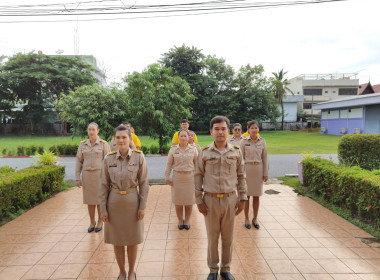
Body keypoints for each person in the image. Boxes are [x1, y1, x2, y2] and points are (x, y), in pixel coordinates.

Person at [195, 116, 248, 280]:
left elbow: (241, 176)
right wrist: (198, 200)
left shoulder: (236, 152)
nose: (220, 132)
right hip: (210, 200)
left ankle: (225, 268)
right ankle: (212, 269)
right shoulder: (204, 152)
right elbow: (197, 176)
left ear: (228, 131)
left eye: (223, 129)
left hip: (230, 199)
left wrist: (243, 198)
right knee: (212, 237)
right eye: (216, 129)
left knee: (228, 237)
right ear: (211, 132)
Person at [99, 125, 149, 280]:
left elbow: (144, 184)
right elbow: (103, 185)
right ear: (114, 139)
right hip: (113, 203)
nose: (121, 140)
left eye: (124, 137)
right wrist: (103, 209)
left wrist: (142, 206)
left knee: (132, 239)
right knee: (117, 240)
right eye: (118, 137)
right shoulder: (108, 159)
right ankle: (121, 271)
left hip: (132, 202)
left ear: (130, 139)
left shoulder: (138, 157)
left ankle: (132, 271)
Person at [75, 122, 110, 233]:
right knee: (89, 200)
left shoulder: (103, 144)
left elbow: (108, 161)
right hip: (87, 176)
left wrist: (109, 178)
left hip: (100, 176)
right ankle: (91, 221)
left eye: (93, 129)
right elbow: (79, 161)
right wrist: (77, 177)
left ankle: (100, 221)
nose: (91, 132)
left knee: (99, 200)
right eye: (89, 129)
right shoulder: (83, 144)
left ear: (98, 131)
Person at [165, 129, 198, 230]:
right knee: (178, 201)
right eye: (181, 136)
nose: (183, 138)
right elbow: (169, 164)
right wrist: (167, 177)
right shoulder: (173, 150)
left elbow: (197, 164)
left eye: (185, 136)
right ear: (178, 138)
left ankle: (187, 220)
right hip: (177, 178)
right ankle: (180, 220)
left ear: (188, 138)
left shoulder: (193, 149)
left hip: (190, 178)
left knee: (189, 201)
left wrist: (199, 178)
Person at [240, 120, 268, 230]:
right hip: (247, 170)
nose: (254, 130)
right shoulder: (243, 142)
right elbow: (240, 159)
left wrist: (265, 173)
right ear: (248, 129)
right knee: (246, 196)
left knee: (257, 196)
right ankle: (246, 218)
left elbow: (265, 158)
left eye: (256, 128)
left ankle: (255, 218)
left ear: (258, 129)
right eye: (252, 128)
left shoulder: (262, 142)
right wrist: (240, 175)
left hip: (258, 170)